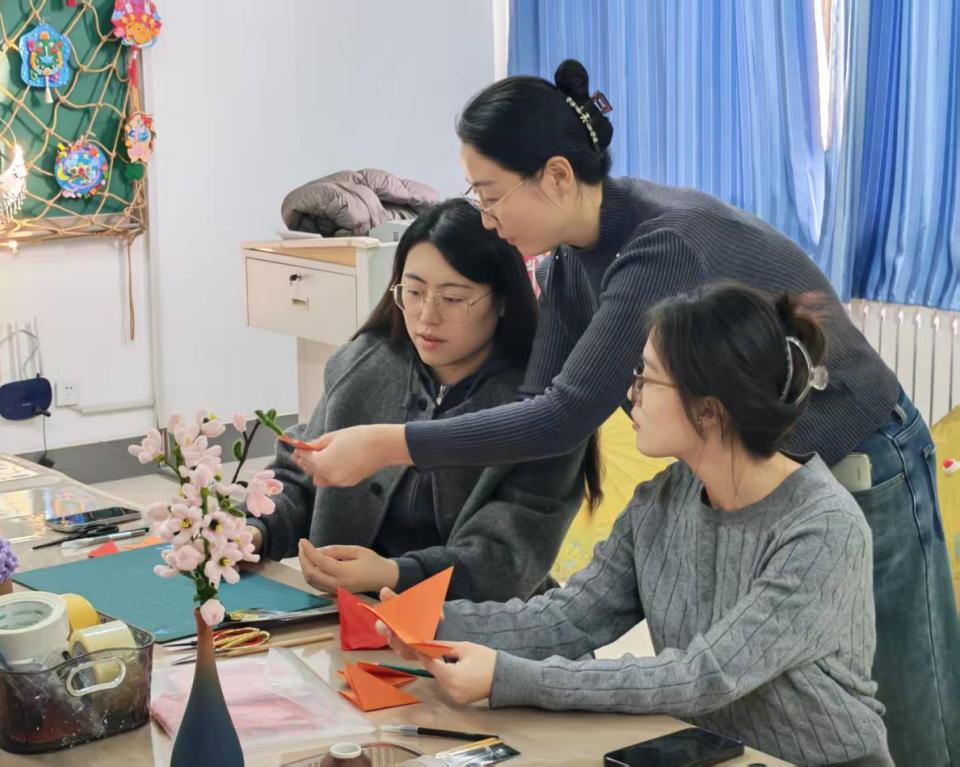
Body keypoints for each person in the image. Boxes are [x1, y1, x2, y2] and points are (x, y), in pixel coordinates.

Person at [295, 61, 958, 765]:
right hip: (740, 480)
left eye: (490, 195)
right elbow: (540, 417)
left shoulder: (663, 247)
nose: (485, 218)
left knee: (912, 714)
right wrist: (410, 610)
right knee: (763, 705)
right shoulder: (574, 276)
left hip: (858, 454)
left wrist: (391, 444)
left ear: (556, 176)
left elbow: (564, 416)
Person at [380, 284, 892, 766]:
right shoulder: (662, 499)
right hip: (711, 754)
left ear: (708, 409)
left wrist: (509, 678)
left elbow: (704, 675)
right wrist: (431, 623)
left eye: (647, 377)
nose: (632, 393)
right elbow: (571, 618)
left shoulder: (823, 529)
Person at [246, 199, 594, 601]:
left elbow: (508, 559)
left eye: (453, 299)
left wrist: (395, 574)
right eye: (413, 292)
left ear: (502, 301)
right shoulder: (363, 364)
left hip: (485, 628)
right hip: (349, 614)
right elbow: (300, 478)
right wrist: (255, 531)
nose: (427, 316)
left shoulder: (544, 409)